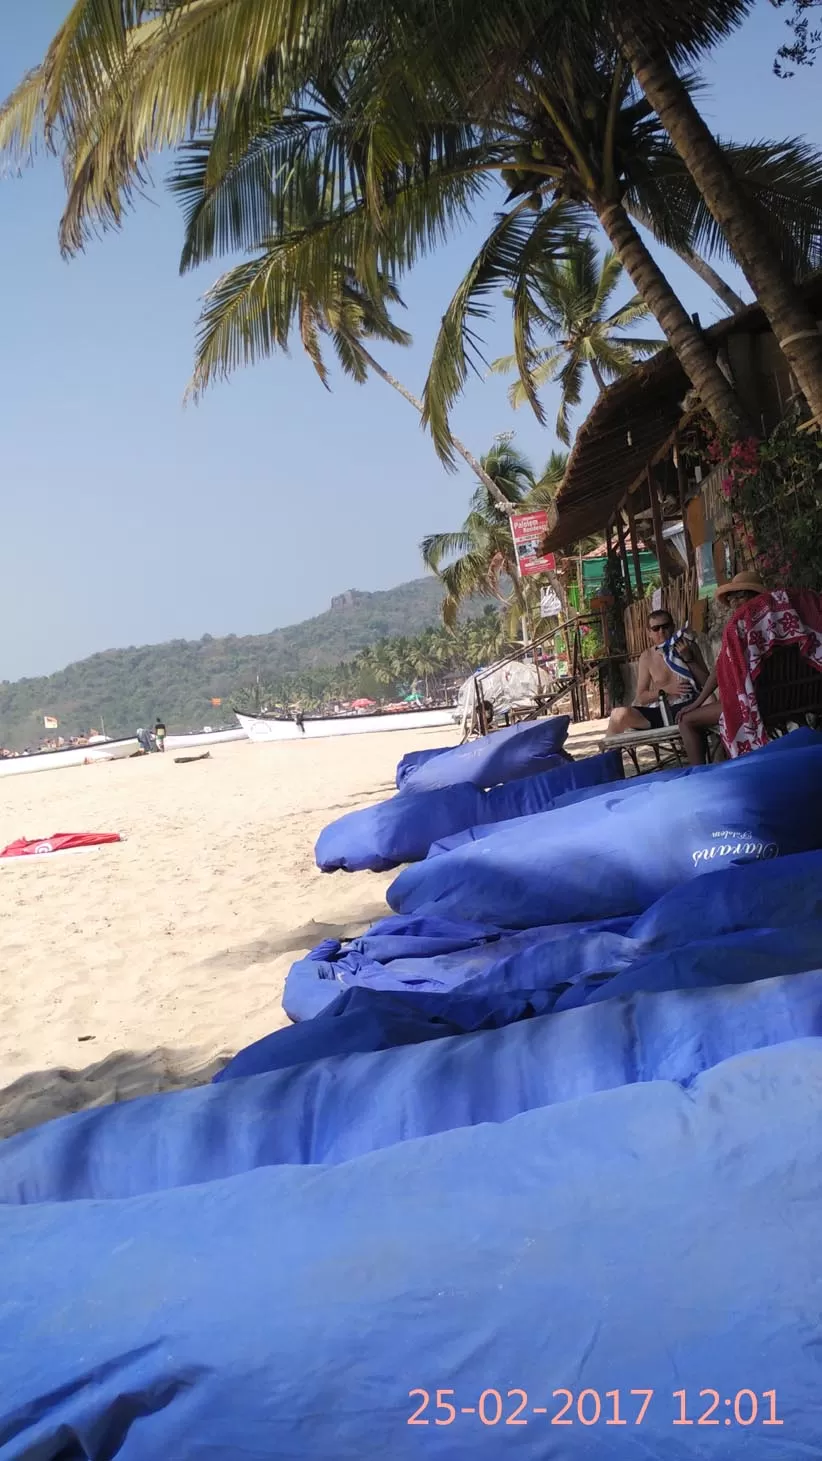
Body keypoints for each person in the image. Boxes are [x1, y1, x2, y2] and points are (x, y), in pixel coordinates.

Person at [676, 572, 766, 765]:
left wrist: (697, 703)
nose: (734, 603)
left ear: (754, 597)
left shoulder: (737, 630)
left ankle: (699, 775)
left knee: (686, 720)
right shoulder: (780, 623)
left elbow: (718, 671)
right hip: (783, 700)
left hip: (752, 703)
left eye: (740, 596)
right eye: (732, 598)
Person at [607, 608, 710, 736]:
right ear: (649, 633)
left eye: (665, 626)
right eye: (656, 629)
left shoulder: (689, 647)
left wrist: (689, 660)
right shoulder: (647, 657)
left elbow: (707, 683)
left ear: (672, 627)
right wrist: (667, 690)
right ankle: (609, 756)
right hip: (661, 710)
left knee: (710, 698)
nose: (661, 631)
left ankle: (723, 750)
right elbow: (642, 697)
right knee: (617, 714)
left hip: (691, 706)